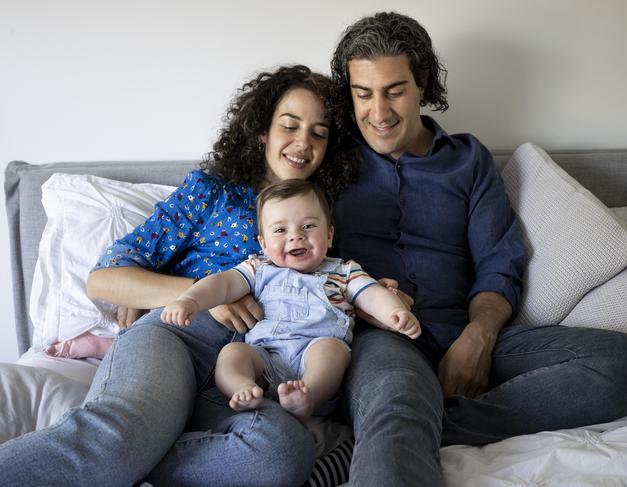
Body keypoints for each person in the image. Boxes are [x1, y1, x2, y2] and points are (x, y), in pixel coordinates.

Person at [326, 11, 627, 486]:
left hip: (464, 329)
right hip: (383, 341)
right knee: (398, 395)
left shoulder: (468, 159)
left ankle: (421, 422)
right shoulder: (328, 159)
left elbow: (499, 262)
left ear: (423, 85)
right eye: (363, 93)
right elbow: (291, 249)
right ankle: (401, 417)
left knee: (625, 362)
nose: (379, 111)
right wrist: (358, 305)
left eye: (394, 90)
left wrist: (477, 338)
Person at [0, 64, 361, 486]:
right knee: (119, 439)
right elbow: (104, 278)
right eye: (290, 125)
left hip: (248, 371)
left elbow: (337, 293)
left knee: (283, 453)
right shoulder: (213, 191)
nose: (303, 142)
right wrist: (206, 294)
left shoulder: (325, 215)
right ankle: (126, 451)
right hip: (180, 339)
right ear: (262, 130)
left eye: (319, 132)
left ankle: (140, 460)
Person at [161, 179, 421, 423]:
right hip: (265, 356)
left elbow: (372, 294)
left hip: (315, 349)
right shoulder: (258, 267)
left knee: (332, 352)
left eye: (308, 226)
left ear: (329, 235)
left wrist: (395, 313)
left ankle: (308, 396)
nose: (296, 236)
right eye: (281, 230)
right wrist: (190, 300)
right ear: (263, 244)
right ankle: (243, 387)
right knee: (232, 353)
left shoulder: (344, 271)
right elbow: (222, 284)